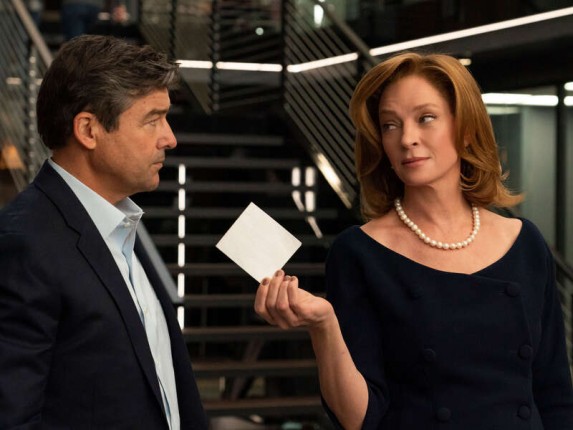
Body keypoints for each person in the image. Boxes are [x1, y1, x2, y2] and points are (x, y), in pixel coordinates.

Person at [255, 51, 573, 429]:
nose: (407, 139)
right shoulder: (360, 252)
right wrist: (323, 325)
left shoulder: (525, 243)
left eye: (426, 118)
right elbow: (359, 419)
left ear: (466, 129)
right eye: (390, 125)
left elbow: (555, 396)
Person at [0, 35, 208, 429]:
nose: (170, 138)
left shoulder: (120, 226)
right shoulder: (23, 245)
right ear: (88, 130)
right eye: (152, 119)